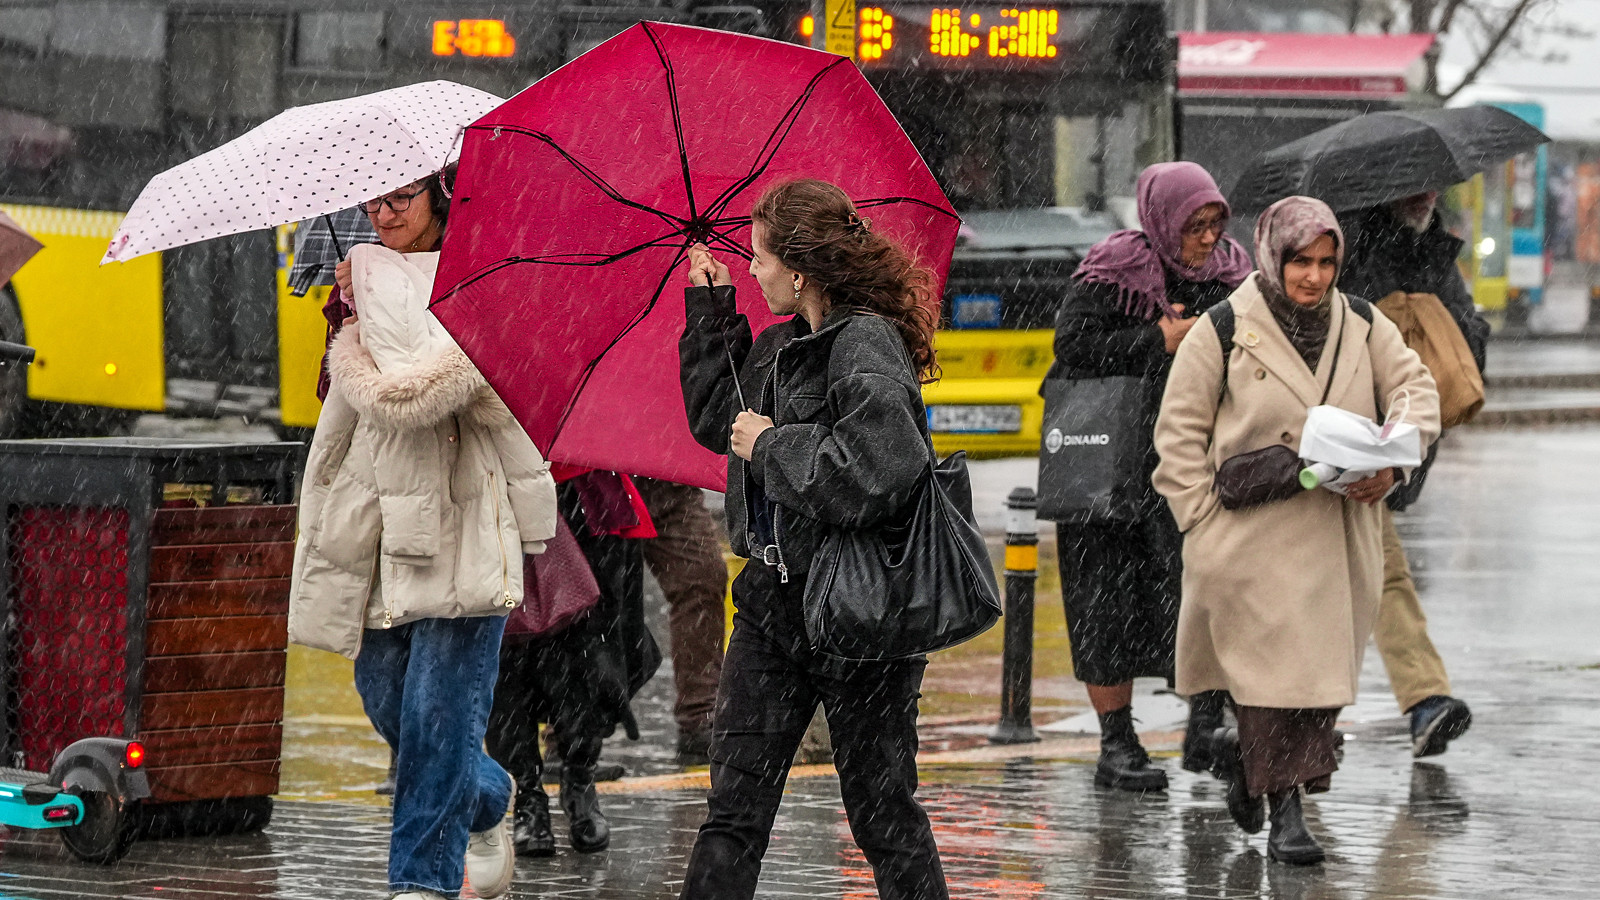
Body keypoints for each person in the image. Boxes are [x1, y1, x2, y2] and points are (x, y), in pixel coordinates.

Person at [675, 179, 948, 900]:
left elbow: (878, 470)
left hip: (859, 612)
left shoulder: (864, 345)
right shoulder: (777, 343)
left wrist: (773, 448)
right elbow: (720, 425)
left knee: (883, 813)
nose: (753, 269)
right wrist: (710, 310)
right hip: (772, 606)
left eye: (759, 258)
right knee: (733, 813)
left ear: (798, 269)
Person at [290, 171, 558, 900]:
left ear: (443, 194)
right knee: (385, 695)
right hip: (382, 523)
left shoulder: (490, 273)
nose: (382, 214)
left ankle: (421, 884)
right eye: (372, 202)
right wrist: (349, 315)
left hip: (467, 516)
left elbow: (511, 392)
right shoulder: (360, 277)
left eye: (399, 200)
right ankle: (489, 794)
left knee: (437, 716)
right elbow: (335, 396)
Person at [1152, 196, 1440, 865]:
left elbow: (1415, 392)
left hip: (1337, 540)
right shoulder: (1221, 328)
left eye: (1326, 262)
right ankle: (1288, 813)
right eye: (1301, 261)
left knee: (1315, 690)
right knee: (1270, 688)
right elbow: (1178, 438)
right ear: (1272, 255)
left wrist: (1393, 465)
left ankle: (1255, 777)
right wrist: (1202, 525)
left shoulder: (1364, 324)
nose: (1313, 276)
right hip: (1249, 542)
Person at [1043, 161, 1254, 791]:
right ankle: (1118, 745)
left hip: (1194, 470)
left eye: (1216, 223)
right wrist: (1154, 341)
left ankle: (1206, 727)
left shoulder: (1235, 277)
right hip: (1110, 471)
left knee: (1202, 599)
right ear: (1163, 216)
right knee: (1104, 605)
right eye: (1196, 224)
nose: (1208, 238)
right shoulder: (1112, 271)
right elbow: (1072, 349)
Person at [1340, 191, 1487, 757]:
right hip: (1332, 441)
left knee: (1383, 576)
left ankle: (1426, 701)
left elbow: (1468, 330)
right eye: (1413, 184)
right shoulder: (1347, 247)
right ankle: (1239, 712)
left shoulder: (1435, 253)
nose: (1425, 195)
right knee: (1303, 590)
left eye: (1433, 184)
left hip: (1388, 443)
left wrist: (1452, 343)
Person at [487, 469, 662, 856]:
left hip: (588, 505)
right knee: (506, 667)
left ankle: (580, 781)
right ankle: (527, 800)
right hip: (497, 502)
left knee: (591, 661)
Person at [634, 476, 728, 761]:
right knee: (592, 601)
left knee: (702, 578)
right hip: (595, 479)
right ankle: (569, 734)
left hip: (668, 479)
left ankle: (701, 717)